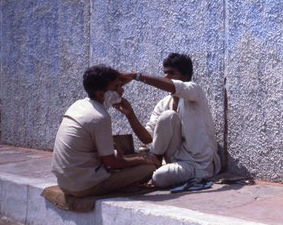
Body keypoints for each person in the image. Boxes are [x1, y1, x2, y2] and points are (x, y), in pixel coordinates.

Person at [51, 65, 160, 197]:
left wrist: (127, 77)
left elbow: (110, 153)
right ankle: (120, 187)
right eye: (116, 88)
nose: (122, 90)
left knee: (128, 161)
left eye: (121, 85)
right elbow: (111, 164)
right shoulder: (100, 118)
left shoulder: (79, 105)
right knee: (148, 168)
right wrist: (144, 159)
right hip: (82, 187)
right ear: (100, 94)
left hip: (65, 183)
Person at [121, 53, 221, 188]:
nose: (166, 77)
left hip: (199, 165)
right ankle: (154, 162)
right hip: (175, 160)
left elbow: (174, 86)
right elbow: (147, 138)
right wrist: (130, 114)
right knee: (168, 116)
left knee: (159, 178)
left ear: (184, 76)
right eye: (165, 73)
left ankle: (152, 166)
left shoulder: (194, 90)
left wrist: (136, 76)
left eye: (171, 73)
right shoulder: (164, 103)